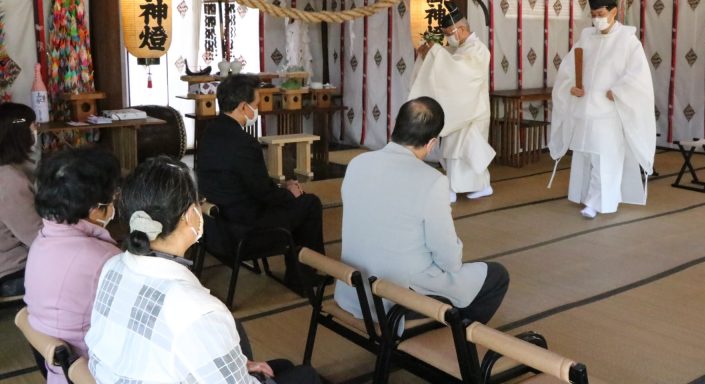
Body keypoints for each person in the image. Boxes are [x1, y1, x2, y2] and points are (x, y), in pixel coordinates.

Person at [86, 156, 320, 384]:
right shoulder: (198, 310)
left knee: (283, 367)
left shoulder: (112, 266)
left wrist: (242, 366)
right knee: (305, 375)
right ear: (190, 216)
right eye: (199, 202)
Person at [335, 97, 509, 324]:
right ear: (432, 143)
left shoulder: (358, 163)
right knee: (496, 275)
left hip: (353, 291)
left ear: (395, 128)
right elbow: (449, 260)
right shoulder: (432, 181)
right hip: (395, 301)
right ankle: (451, 342)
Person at [197, 74, 324, 290]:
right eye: (256, 104)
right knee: (309, 203)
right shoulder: (244, 144)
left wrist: (280, 189)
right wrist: (289, 192)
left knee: (294, 200)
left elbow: (247, 184)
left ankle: (300, 272)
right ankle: (302, 278)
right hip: (245, 230)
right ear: (243, 106)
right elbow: (263, 195)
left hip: (216, 225)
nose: (258, 109)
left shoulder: (209, 133)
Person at [549, 0, 656, 219]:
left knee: (603, 158)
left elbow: (638, 77)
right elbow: (567, 70)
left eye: (600, 14)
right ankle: (584, 196)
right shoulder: (586, 38)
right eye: (593, 15)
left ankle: (598, 202)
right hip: (584, 110)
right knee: (584, 156)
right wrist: (570, 87)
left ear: (613, 11)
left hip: (608, 113)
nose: (596, 19)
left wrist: (617, 91)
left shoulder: (628, 41)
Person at [24, 147, 121, 383]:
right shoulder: (103, 259)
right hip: (89, 372)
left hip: (56, 370)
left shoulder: (43, 239)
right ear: (96, 209)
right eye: (113, 197)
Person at [408, 1, 496, 203]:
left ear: (462, 29)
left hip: (473, 110)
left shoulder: (479, 49)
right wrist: (429, 54)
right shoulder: (463, 48)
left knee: (464, 151)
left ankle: (457, 188)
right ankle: (480, 185)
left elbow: (461, 72)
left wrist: (436, 53)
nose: (448, 38)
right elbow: (450, 64)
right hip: (462, 109)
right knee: (455, 150)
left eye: (449, 33)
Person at [0, 102, 42, 297]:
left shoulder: (12, 171)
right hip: (11, 273)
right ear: (19, 134)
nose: (36, 130)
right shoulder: (9, 180)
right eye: (33, 126)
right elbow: (37, 237)